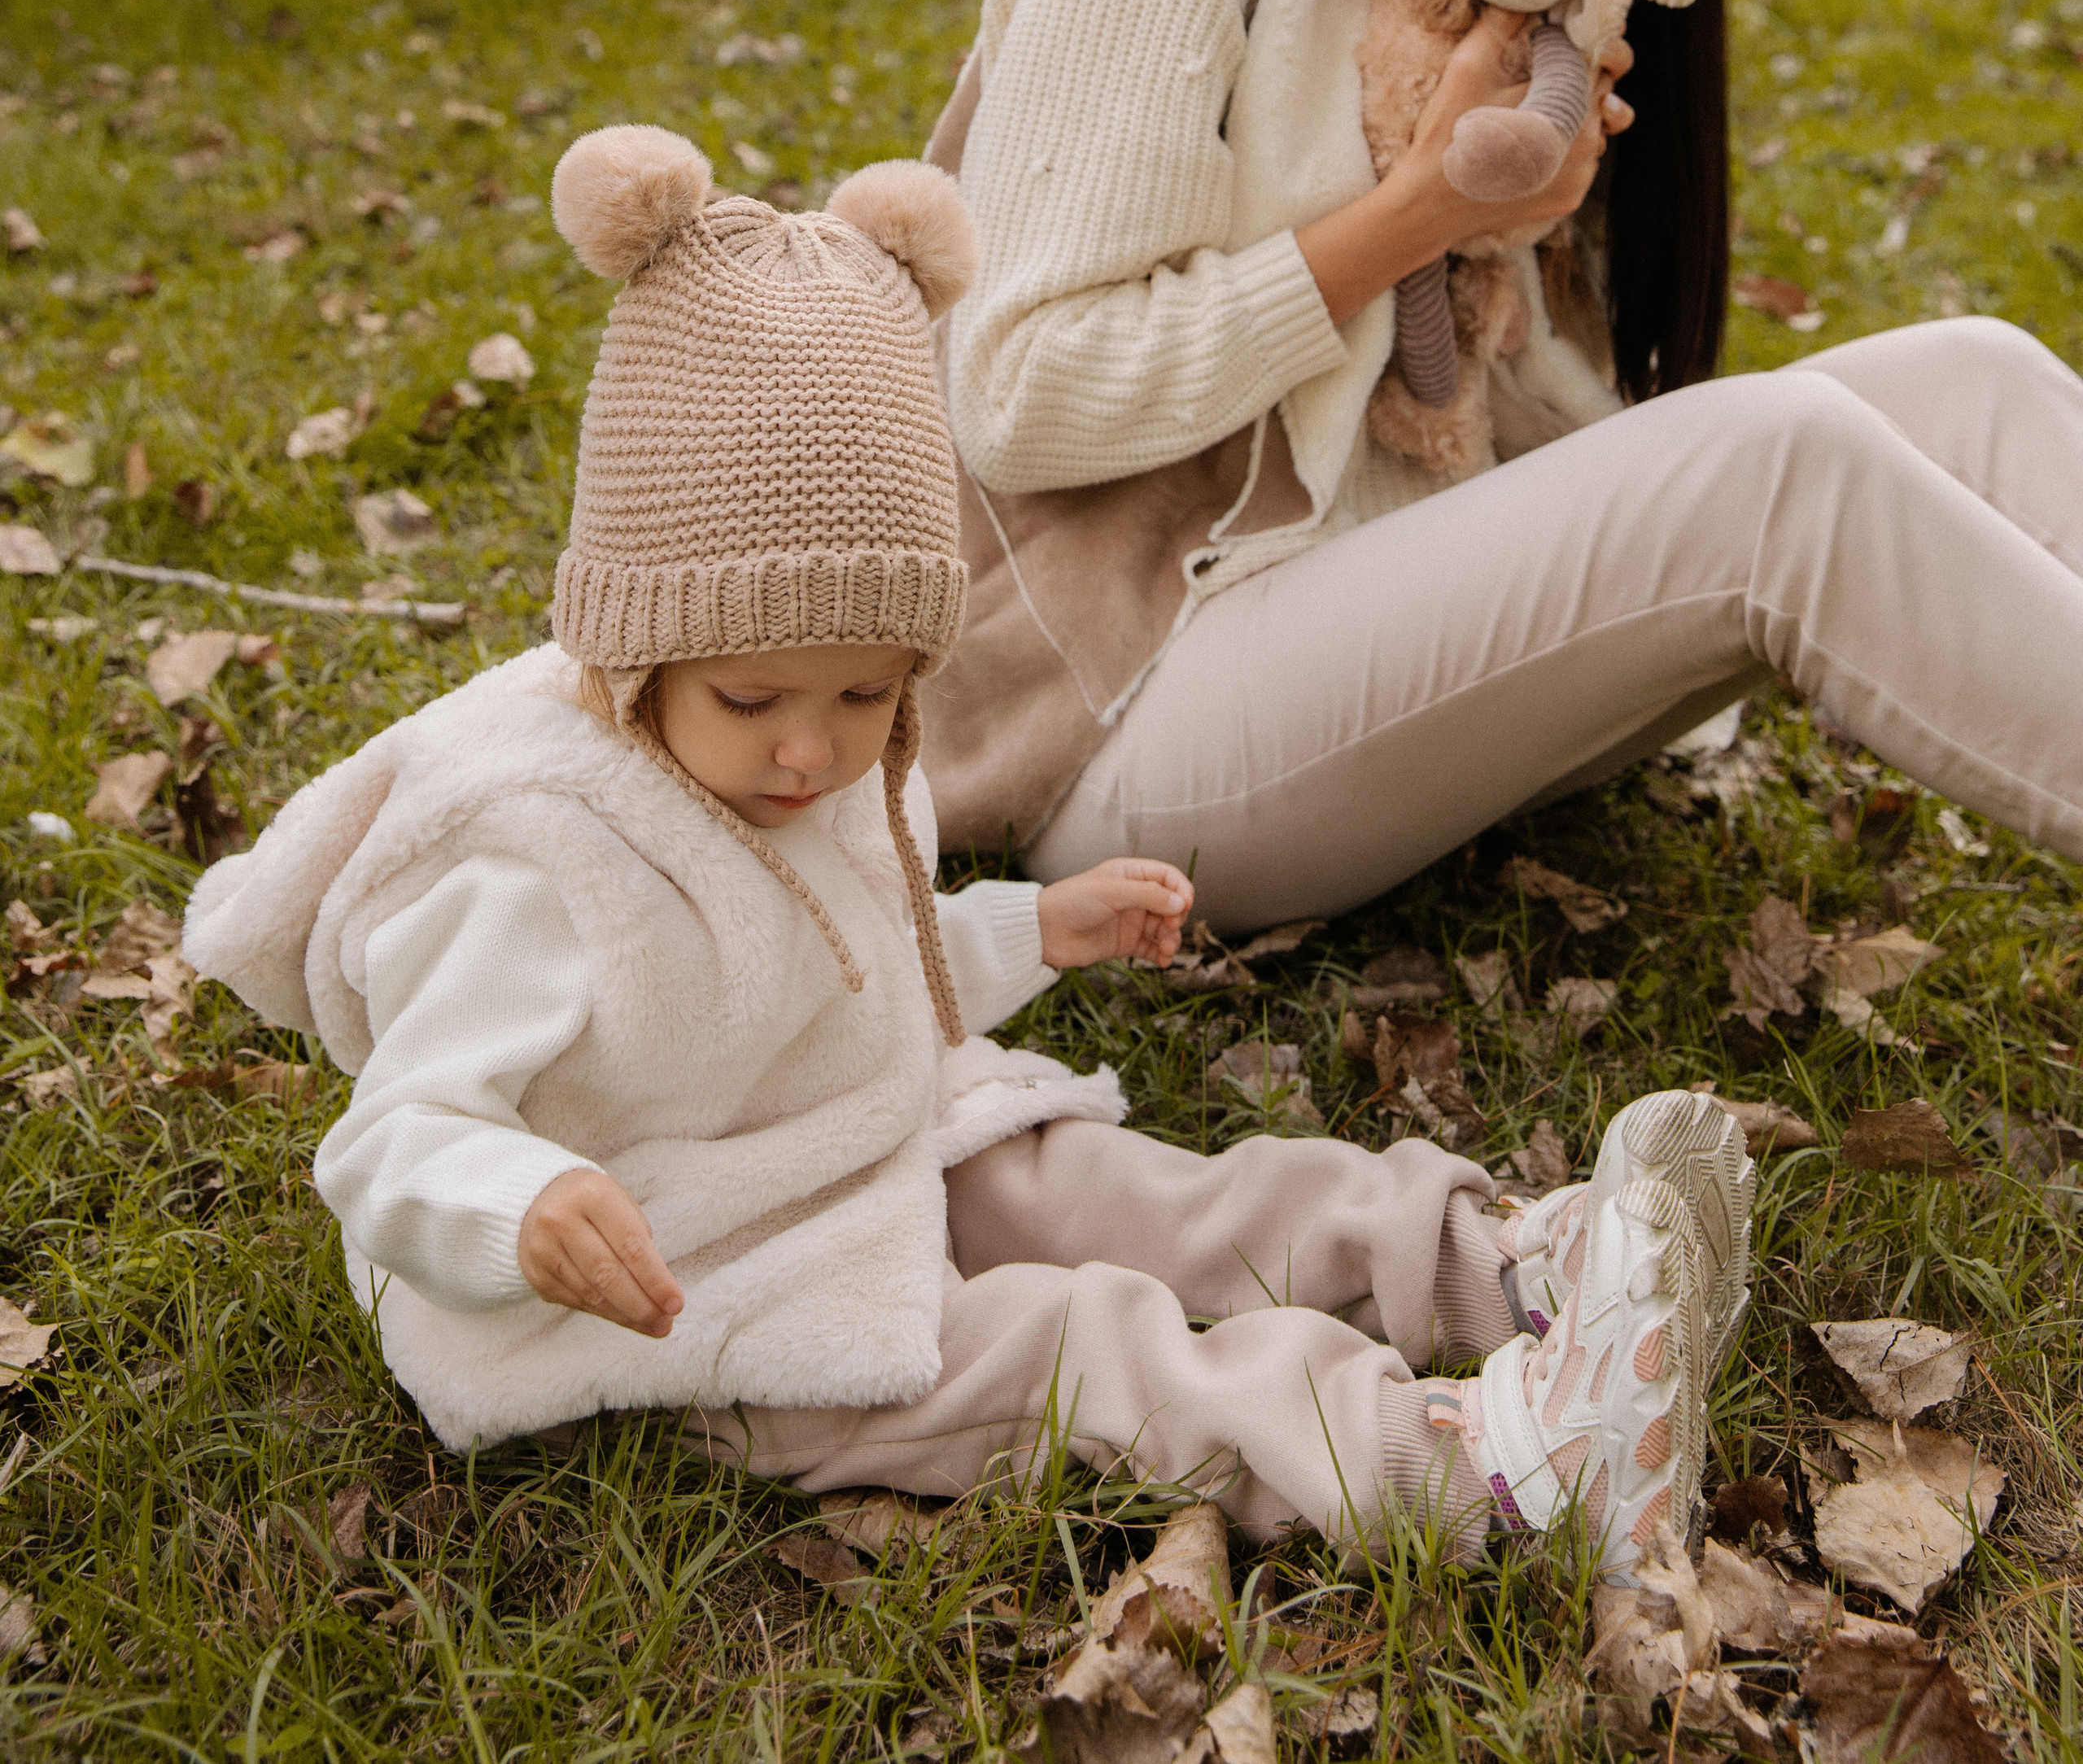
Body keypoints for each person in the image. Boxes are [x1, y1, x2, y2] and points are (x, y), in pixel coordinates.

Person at [184, 119, 1755, 1576]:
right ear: (631, 650)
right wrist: (513, 1201)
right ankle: (1478, 1469)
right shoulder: (535, 860)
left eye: (868, 693)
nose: (813, 746)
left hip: (829, 1142)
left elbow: (852, 959)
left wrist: (1024, 932)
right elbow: (398, 1135)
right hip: (685, 1287)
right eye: (755, 698)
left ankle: (1506, 1264)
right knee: (1056, 1347)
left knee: (1101, 1188)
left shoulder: (819, 772)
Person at [921, 0, 2083, 925]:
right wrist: (1417, 215)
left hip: (1365, 637)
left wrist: (1521, 232)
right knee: (1781, 464)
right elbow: (1021, 397)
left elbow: (1472, 419)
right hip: (1119, 721)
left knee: (1978, 379)